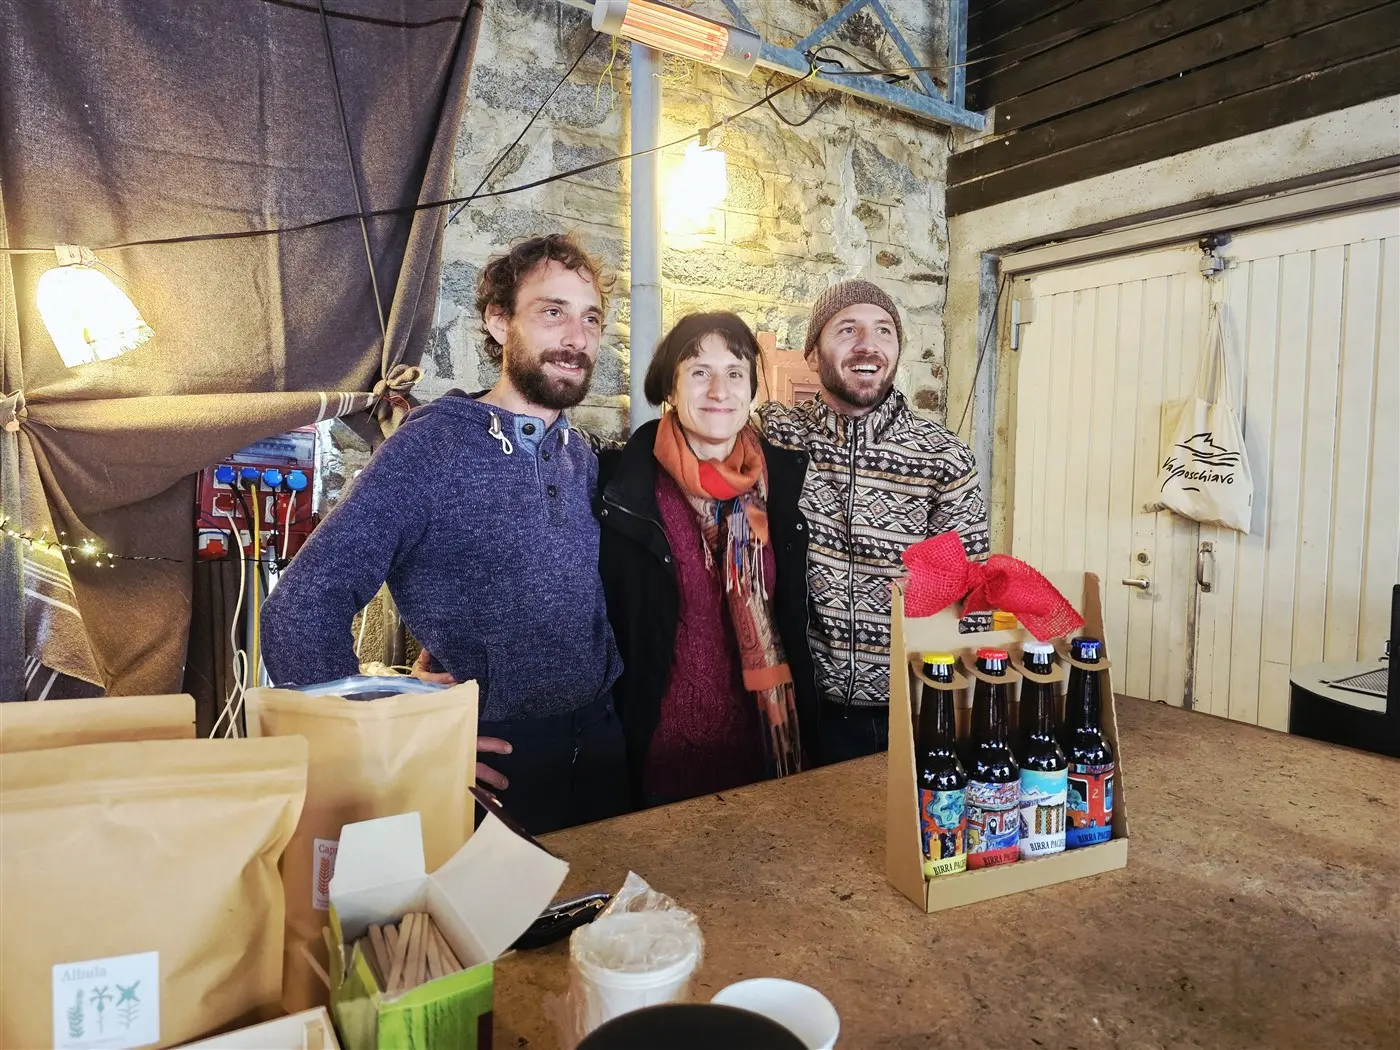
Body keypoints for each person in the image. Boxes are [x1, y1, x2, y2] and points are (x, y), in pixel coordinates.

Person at [262, 233, 629, 835]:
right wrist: (386, 738)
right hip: (496, 768)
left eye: (590, 318)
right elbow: (301, 607)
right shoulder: (431, 447)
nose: (576, 337)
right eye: (552, 312)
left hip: (602, 748)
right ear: (498, 319)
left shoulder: (579, 454)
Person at [759, 279, 990, 764]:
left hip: (917, 710)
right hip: (805, 710)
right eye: (847, 329)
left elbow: (975, 591)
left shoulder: (944, 459)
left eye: (884, 331)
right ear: (812, 353)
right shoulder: (778, 434)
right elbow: (700, 433)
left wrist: (937, 586)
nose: (869, 345)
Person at [595, 313, 818, 807]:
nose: (720, 389)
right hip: (657, 759)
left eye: (735, 373)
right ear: (671, 389)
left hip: (765, 755)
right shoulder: (621, 487)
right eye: (699, 372)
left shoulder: (784, 484)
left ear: (753, 392)